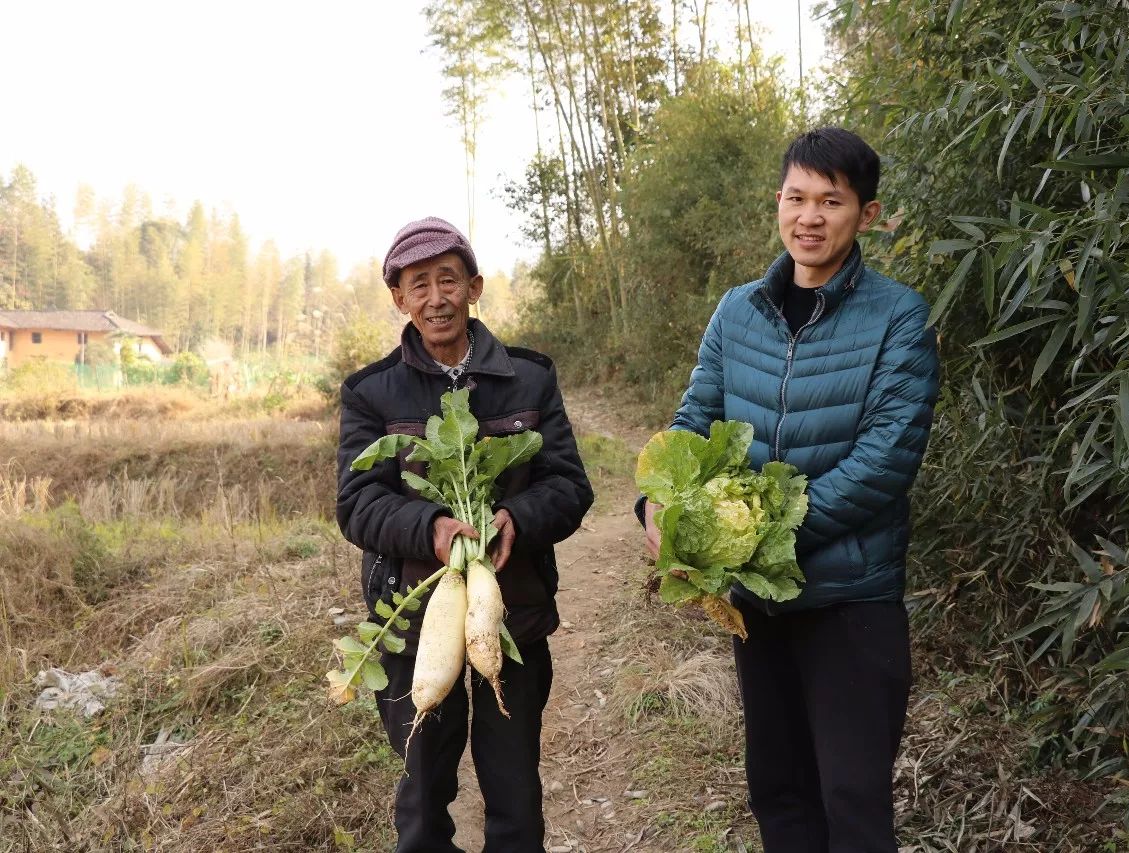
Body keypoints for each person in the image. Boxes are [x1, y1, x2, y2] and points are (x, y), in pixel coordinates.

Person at [641, 127, 940, 852]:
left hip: (850, 602)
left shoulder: (899, 316)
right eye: (796, 197)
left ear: (865, 214)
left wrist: (766, 535)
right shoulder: (737, 311)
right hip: (760, 604)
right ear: (778, 200)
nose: (810, 216)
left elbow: (886, 459)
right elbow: (692, 426)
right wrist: (659, 506)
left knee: (852, 798)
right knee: (780, 792)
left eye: (831, 201)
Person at [337, 216, 594, 853]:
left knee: (516, 793)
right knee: (422, 798)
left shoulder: (530, 378)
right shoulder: (371, 393)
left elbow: (568, 486)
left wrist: (515, 520)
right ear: (398, 299)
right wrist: (429, 528)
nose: (435, 298)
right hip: (415, 623)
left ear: (474, 287)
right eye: (417, 285)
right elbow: (357, 503)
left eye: (447, 280)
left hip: (515, 611)